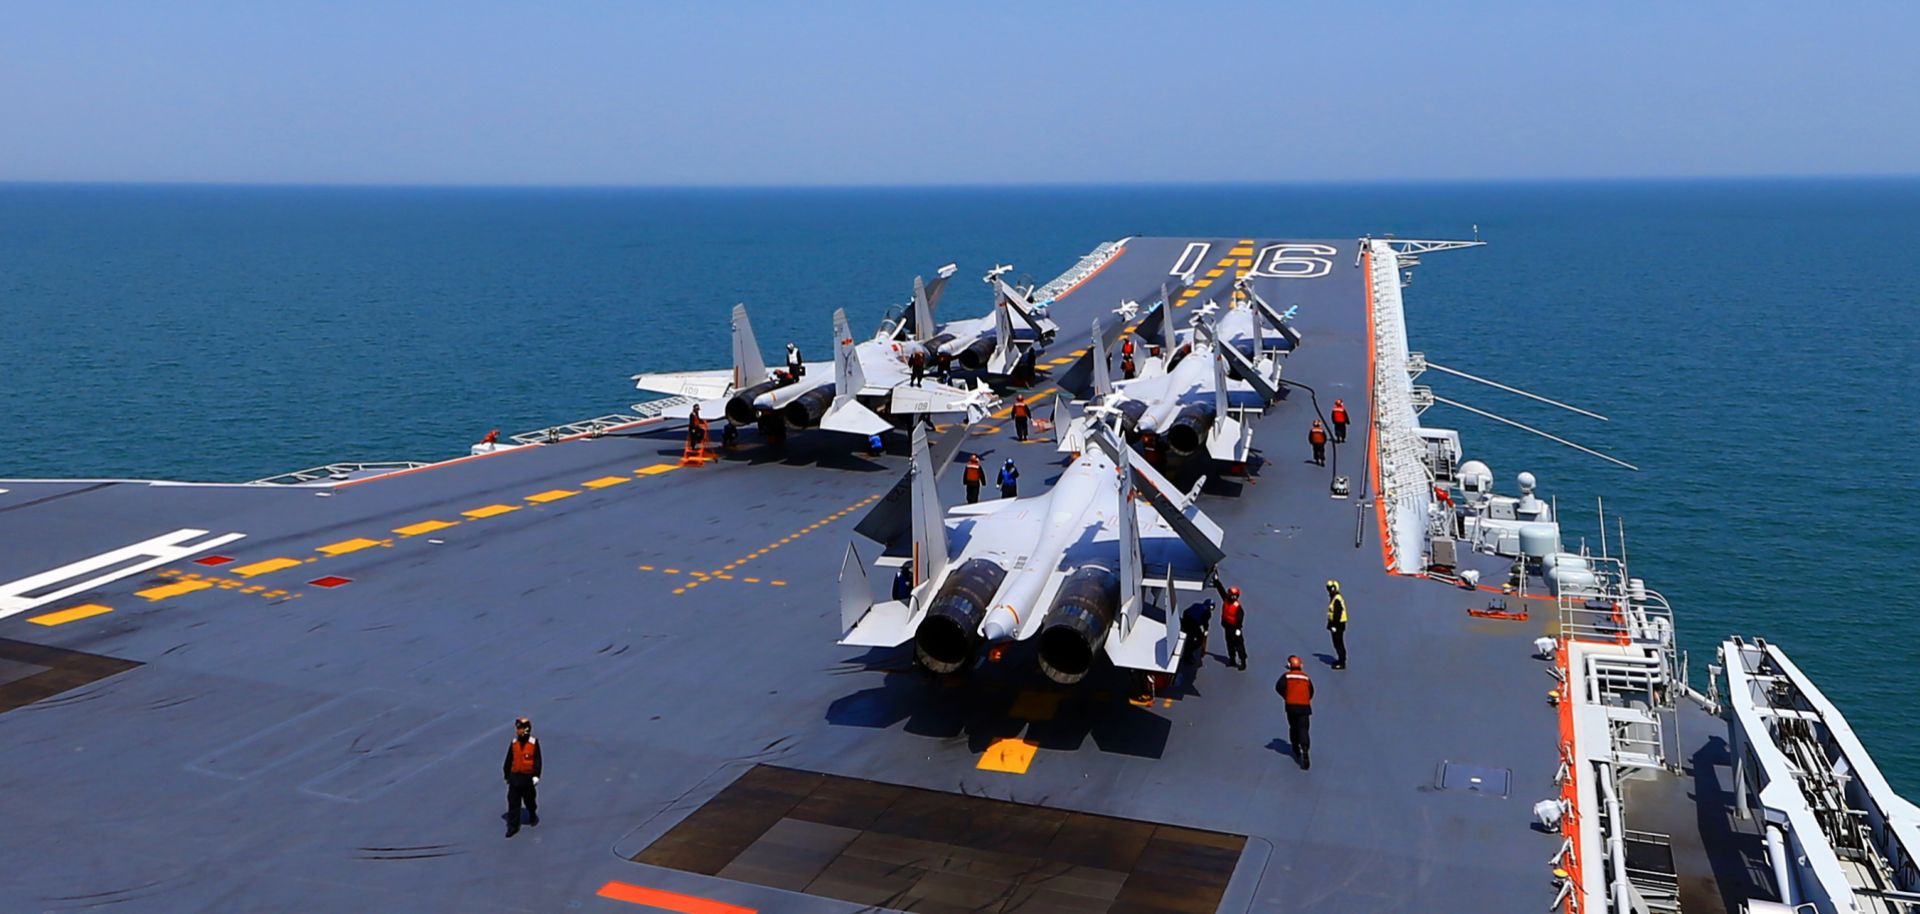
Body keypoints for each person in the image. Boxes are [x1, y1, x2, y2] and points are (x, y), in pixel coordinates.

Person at [503, 716, 542, 837]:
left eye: (519, 728)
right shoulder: (514, 743)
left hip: (527, 778)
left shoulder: (533, 743)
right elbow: (509, 760)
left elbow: (537, 760)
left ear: (526, 729)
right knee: (513, 802)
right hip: (515, 778)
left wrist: (536, 775)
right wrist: (506, 774)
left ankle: (532, 813)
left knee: (529, 800)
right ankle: (513, 826)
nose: (517, 731)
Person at [1277, 656, 1314, 769]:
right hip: (1304, 707)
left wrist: (1287, 696)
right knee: (1304, 728)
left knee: (1293, 727)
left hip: (1291, 706)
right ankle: (1305, 749)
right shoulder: (1306, 678)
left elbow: (1279, 687)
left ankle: (1295, 748)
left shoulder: (1287, 676)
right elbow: (1311, 691)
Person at [1181, 599, 1213, 669]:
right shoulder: (1207, 613)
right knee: (1197, 641)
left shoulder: (1196, 604)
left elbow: (1186, 611)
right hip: (1193, 623)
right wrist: (1205, 630)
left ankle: (1187, 650)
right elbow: (1204, 623)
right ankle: (1187, 655)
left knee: (1190, 637)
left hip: (1186, 620)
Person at [1221, 586, 1247, 670]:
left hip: (1235, 628)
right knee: (1229, 643)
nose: (1232, 596)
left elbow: (1240, 617)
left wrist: (1238, 628)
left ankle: (1243, 662)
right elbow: (1221, 590)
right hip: (1227, 626)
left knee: (1239, 645)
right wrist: (1216, 581)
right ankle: (1232, 659)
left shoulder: (1237, 606)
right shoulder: (1226, 600)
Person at [1326, 579, 1348, 669]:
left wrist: (1334, 625)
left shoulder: (1336, 599)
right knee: (1336, 643)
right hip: (1336, 624)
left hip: (1338, 624)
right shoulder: (1335, 597)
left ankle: (1342, 662)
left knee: (1339, 643)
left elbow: (1337, 614)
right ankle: (1340, 659)